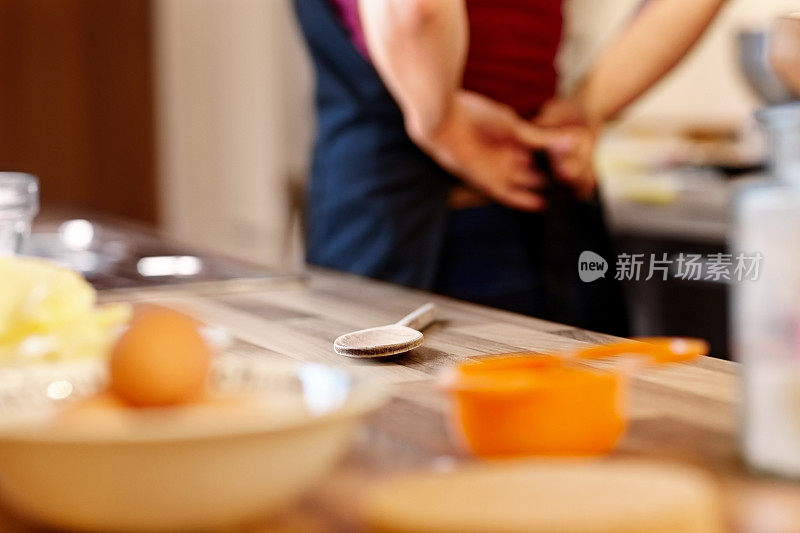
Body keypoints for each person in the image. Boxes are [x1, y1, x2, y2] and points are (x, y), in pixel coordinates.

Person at [294, 0, 727, 335]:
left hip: (400, 232)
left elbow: (416, 12)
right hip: (537, 205)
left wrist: (441, 121)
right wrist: (585, 108)